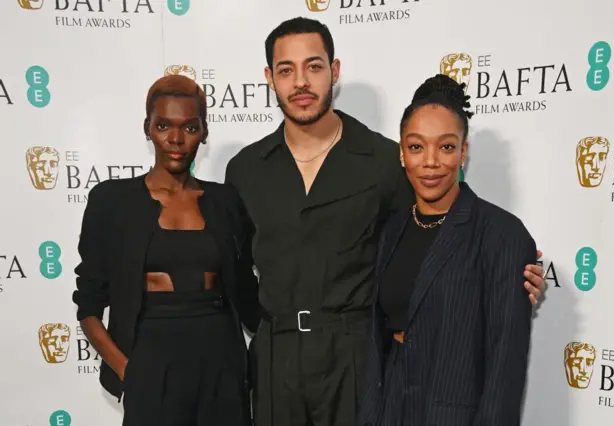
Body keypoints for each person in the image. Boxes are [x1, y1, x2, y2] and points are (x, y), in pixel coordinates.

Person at [224, 17, 546, 426]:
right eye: (287, 70)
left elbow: (433, 237)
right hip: (275, 361)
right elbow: (235, 271)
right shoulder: (245, 169)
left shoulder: (386, 161)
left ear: (334, 71)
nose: (301, 82)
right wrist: (275, 326)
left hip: (358, 362)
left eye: (314, 66)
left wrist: (511, 276)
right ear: (270, 78)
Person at [71, 75, 259, 426]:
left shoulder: (225, 201)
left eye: (189, 127)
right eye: (163, 126)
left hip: (222, 361)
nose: (175, 139)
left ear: (204, 132)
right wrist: (127, 369)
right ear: (148, 128)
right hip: (151, 361)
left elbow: (247, 289)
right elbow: (89, 303)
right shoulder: (111, 201)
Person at [358, 74, 536, 426]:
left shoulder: (502, 234)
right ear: (401, 152)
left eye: (446, 146)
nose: (431, 162)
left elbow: (505, 367)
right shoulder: (390, 229)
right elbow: (377, 339)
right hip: (390, 408)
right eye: (416, 146)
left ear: (463, 152)